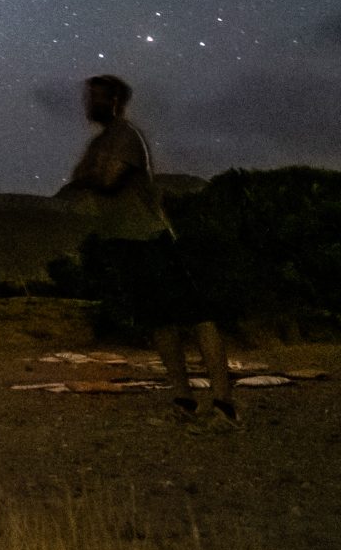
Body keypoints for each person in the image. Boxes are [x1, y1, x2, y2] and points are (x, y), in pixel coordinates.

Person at [55, 73, 236, 422]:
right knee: (158, 320)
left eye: (98, 97)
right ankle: (183, 399)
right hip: (124, 240)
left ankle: (223, 402)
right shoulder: (101, 143)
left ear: (115, 102)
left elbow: (106, 180)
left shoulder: (125, 136)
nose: (90, 104)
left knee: (195, 315)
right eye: (89, 97)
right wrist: (92, 173)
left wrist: (93, 174)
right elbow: (79, 176)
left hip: (150, 237)